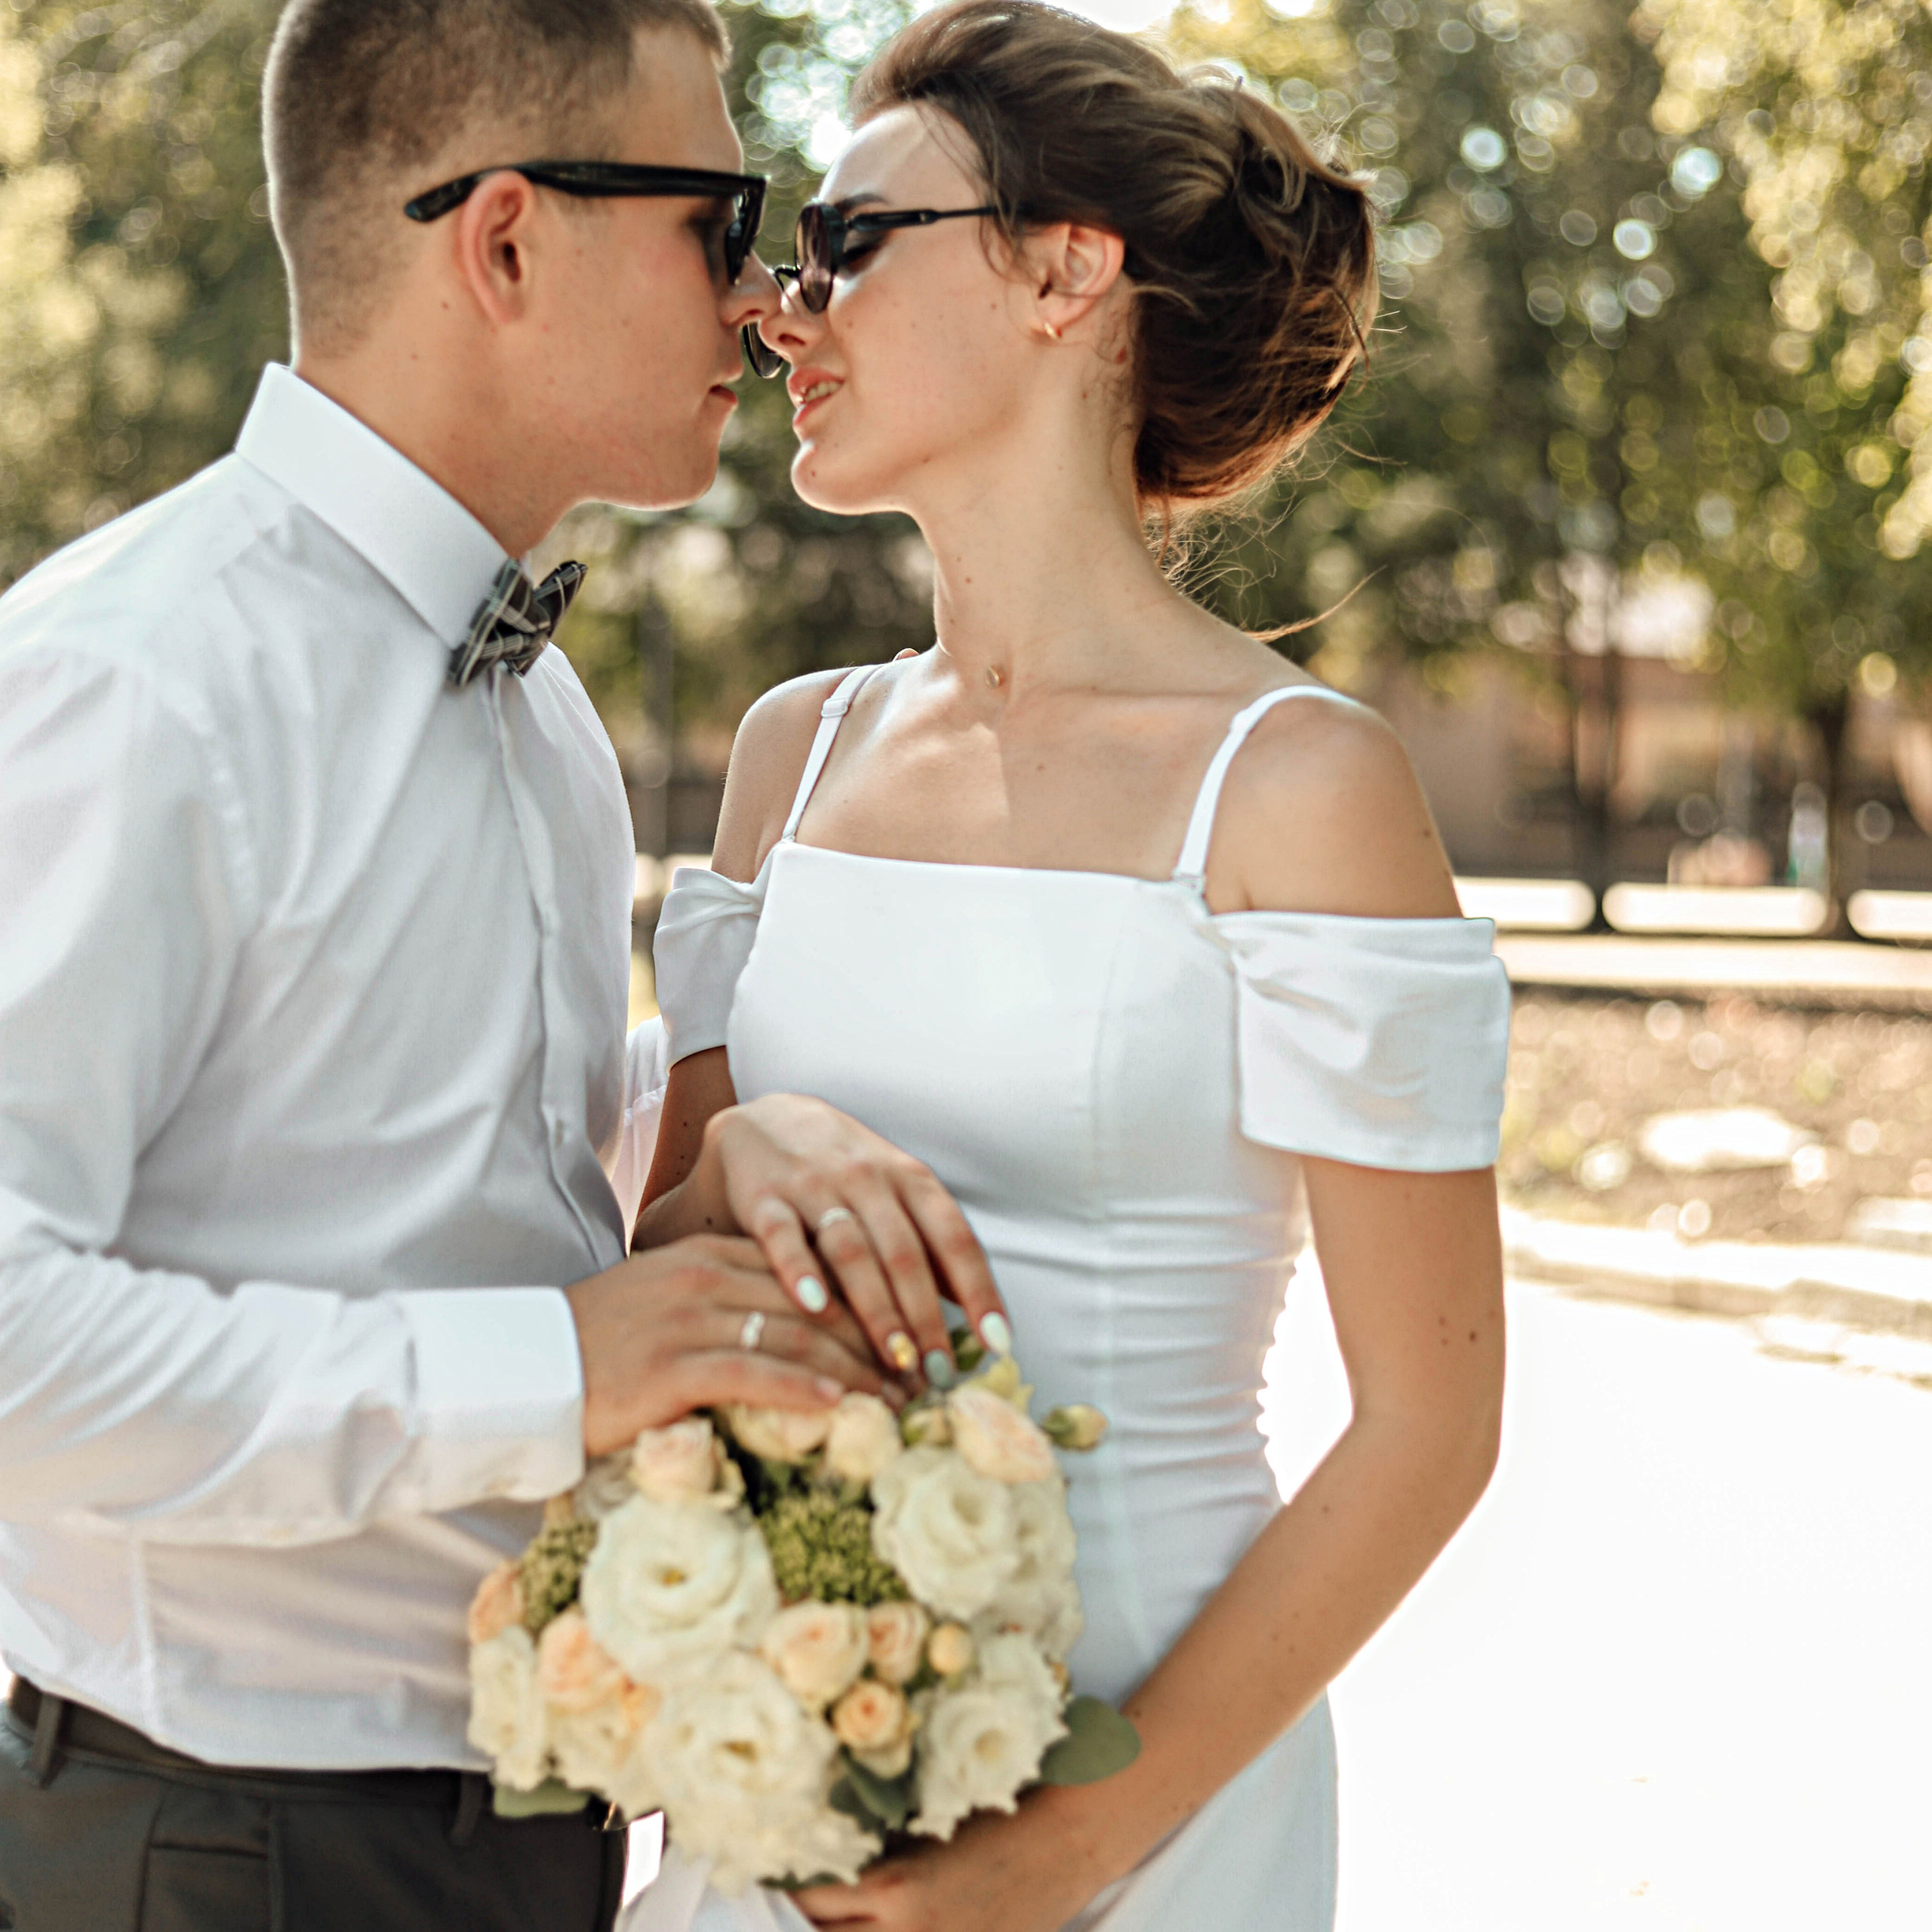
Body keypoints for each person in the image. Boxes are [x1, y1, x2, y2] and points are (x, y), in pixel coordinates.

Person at [0, 2, 1005, 1927]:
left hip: (536, 1823)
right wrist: (542, 1368)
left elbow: (440, 1170)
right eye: (721, 218)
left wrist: (731, 1142)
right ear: (509, 241)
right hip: (219, 1849)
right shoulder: (133, 682)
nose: (758, 298)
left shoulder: (535, 708)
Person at [628, 5, 1512, 1929]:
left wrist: (1067, 1849)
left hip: (1150, 1794)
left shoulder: (1297, 787)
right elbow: (656, 1273)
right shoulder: (790, 750)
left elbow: (1432, 1421)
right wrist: (738, 1154)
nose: (784, 308)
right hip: (785, 1741)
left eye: (852, 240)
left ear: (1064, 270)